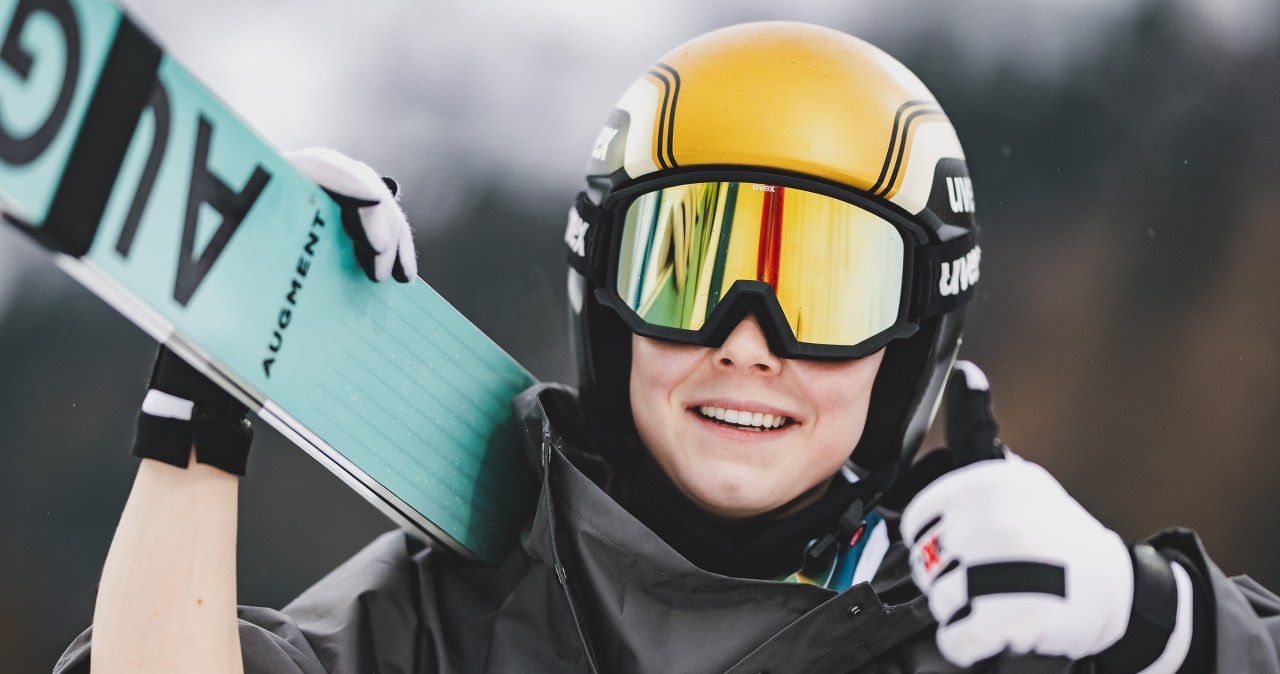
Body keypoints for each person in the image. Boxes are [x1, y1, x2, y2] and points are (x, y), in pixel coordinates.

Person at [55, 21, 1279, 674]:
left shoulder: (989, 629)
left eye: (825, 284)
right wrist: (207, 401)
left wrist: (1155, 621)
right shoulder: (441, 622)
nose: (749, 338)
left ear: (909, 341)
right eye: (689, 266)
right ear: (610, 305)